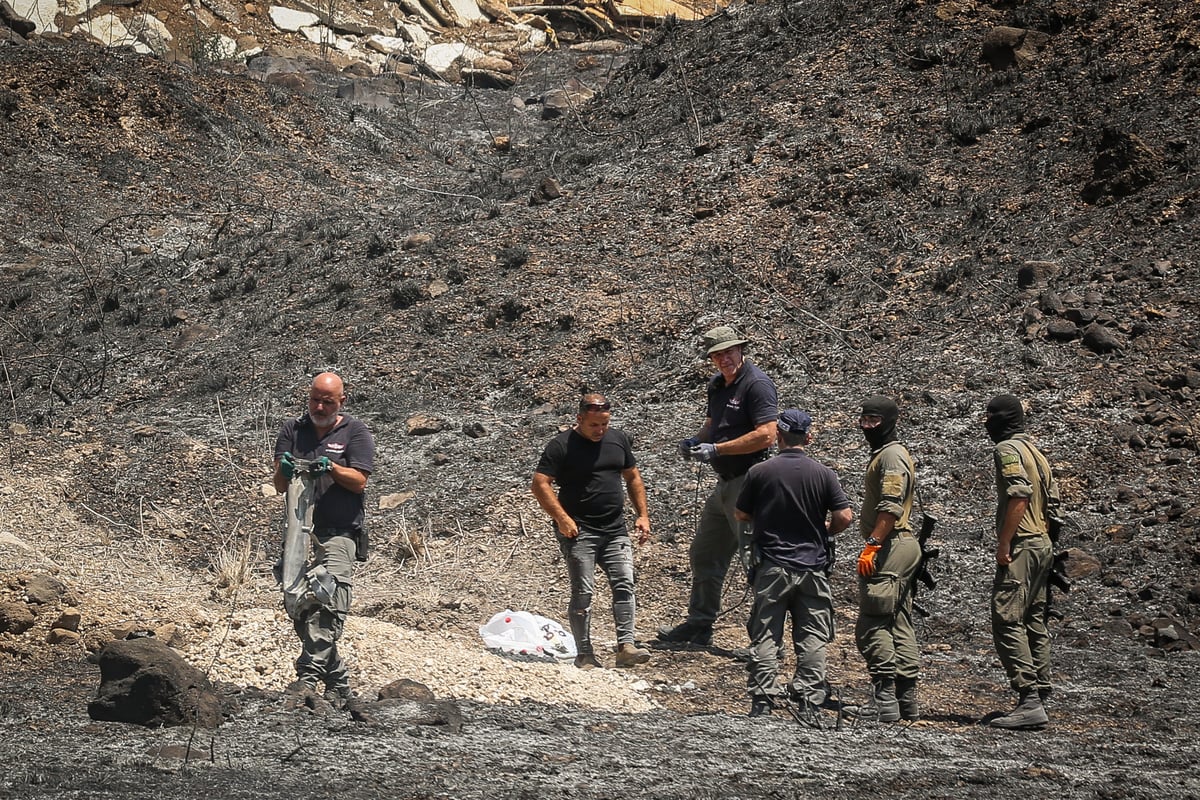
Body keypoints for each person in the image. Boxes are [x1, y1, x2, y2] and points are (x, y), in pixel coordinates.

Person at [658, 324, 778, 647]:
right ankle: (699, 624)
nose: (724, 359)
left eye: (728, 352)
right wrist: (695, 441)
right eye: (717, 355)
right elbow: (712, 425)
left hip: (750, 483)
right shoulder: (717, 386)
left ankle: (766, 641)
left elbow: (768, 434)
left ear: (741, 350)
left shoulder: (757, 385)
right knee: (705, 552)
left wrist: (718, 450)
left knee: (755, 560)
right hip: (724, 484)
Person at [734, 410, 853, 718]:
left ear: (778, 436)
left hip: (772, 565)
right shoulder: (824, 474)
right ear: (808, 437)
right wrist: (825, 531)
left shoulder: (760, 472)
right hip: (813, 566)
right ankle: (809, 699)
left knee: (766, 634)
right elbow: (845, 517)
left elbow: (741, 514)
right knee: (812, 635)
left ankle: (763, 699)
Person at [273, 372, 375, 704]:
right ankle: (339, 681)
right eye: (315, 399)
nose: (319, 406)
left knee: (329, 598)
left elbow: (359, 480)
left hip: (339, 531)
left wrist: (331, 467)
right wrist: (285, 471)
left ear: (341, 401)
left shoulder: (355, 432)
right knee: (298, 602)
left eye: (327, 401)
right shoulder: (293, 429)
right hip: (299, 531)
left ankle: (307, 678)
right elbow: (278, 483)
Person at [531, 393, 653, 669]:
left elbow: (632, 477)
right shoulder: (561, 446)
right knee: (583, 591)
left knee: (624, 584)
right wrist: (561, 518)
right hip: (579, 531)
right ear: (580, 419)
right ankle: (584, 653)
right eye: (594, 425)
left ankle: (626, 646)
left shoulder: (618, 439)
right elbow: (540, 484)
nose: (600, 431)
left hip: (615, 529)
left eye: (604, 424)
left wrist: (642, 515)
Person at [985, 394, 1057, 729]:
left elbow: (1019, 494)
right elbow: (1053, 504)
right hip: (1042, 544)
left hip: (1023, 545)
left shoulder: (1007, 450)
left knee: (1007, 618)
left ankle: (1028, 698)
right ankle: (1040, 693)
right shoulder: (1036, 451)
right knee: (1033, 619)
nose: (986, 422)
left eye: (990, 416)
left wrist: (1004, 542)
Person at [853, 395, 922, 722]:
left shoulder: (892, 456)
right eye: (864, 420)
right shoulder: (888, 453)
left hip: (891, 545)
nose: (867, 426)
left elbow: (891, 505)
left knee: (873, 621)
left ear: (890, 421)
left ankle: (884, 700)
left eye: (874, 421)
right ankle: (905, 700)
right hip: (898, 545)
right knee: (898, 620)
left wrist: (872, 544)